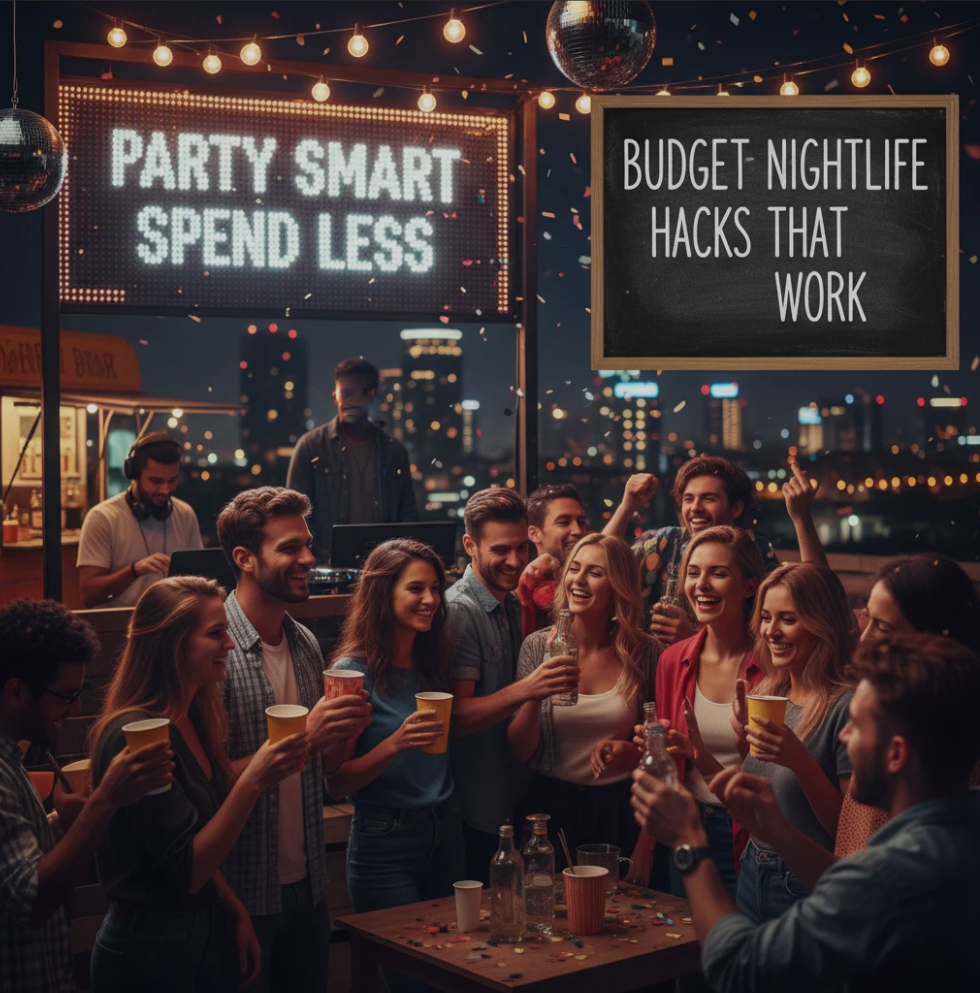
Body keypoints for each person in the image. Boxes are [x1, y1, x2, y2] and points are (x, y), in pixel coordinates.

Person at [630, 633, 980, 993]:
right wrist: (780, 831)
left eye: (857, 725)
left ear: (896, 754)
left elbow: (740, 968)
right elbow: (850, 886)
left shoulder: (892, 878)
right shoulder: (955, 833)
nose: (843, 736)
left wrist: (689, 844)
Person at [87, 577, 311, 992]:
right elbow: (186, 870)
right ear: (173, 645)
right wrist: (255, 779)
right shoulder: (138, 733)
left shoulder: (192, 718)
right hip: (148, 945)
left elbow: (191, 839)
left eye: (227, 630)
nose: (229, 644)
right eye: (215, 633)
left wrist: (233, 909)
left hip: (194, 928)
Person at [217, 487, 373, 993]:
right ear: (244, 558)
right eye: (289, 548)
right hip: (240, 895)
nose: (307, 558)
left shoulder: (304, 642)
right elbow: (205, 784)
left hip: (307, 891)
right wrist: (307, 734)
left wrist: (343, 731)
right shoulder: (213, 652)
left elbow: (327, 772)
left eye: (306, 544)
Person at [0, 598, 172, 993]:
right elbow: (33, 899)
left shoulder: (13, 754)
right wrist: (104, 801)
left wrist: (64, 823)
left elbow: (13, 857)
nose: (75, 707)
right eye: (65, 695)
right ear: (15, 691)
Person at [326, 539, 465, 993]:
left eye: (435, 588)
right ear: (384, 594)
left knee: (456, 973)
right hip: (384, 843)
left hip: (446, 833)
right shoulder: (353, 672)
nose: (430, 599)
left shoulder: (434, 659)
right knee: (413, 983)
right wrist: (396, 743)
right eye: (416, 589)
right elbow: (336, 782)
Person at [508, 533, 659, 870]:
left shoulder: (646, 652)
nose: (578, 578)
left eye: (595, 572)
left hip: (620, 809)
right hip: (549, 808)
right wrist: (534, 692)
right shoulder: (536, 646)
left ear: (618, 585)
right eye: (574, 568)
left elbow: (663, 755)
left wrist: (646, 845)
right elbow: (520, 752)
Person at [447, 488, 573, 884]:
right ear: (470, 545)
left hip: (511, 796)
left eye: (522, 547)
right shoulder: (461, 610)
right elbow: (457, 718)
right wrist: (530, 689)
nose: (516, 561)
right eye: (501, 550)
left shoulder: (512, 601)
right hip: (474, 807)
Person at [642, 525, 767, 900]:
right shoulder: (672, 660)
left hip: (752, 832)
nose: (702, 584)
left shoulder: (772, 665)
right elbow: (664, 760)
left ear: (749, 587)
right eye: (694, 573)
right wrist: (646, 846)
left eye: (719, 573)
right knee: (689, 947)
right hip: (689, 824)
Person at [836, 552, 980, 857]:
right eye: (867, 620)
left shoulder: (924, 743)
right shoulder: (886, 703)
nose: (865, 640)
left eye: (883, 628)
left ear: (933, 637)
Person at [736, 562, 856, 922]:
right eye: (766, 618)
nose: (771, 631)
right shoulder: (770, 691)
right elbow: (767, 786)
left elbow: (847, 830)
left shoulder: (847, 706)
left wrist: (801, 762)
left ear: (823, 624)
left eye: (788, 619)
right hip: (752, 868)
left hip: (802, 886)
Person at [604, 456, 826, 645]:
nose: (695, 507)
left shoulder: (751, 550)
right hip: (651, 675)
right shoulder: (665, 541)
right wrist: (627, 506)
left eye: (709, 498)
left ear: (736, 508)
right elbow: (598, 561)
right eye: (688, 499)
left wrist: (801, 518)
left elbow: (819, 600)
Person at [286, 357, 418, 562]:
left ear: (373, 395)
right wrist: (317, 559)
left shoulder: (394, 450)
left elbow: (408, 515)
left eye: (361, 393)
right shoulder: (310, 446)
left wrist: (401, 560)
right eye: (346, 393)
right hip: (325, 568)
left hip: (385, 567)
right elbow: (294, 515)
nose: (353, 401)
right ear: (335, 396)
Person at [78, 432, 203, 608]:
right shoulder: (102, 518)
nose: (165, 490)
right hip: (119, 627)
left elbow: (199, 581)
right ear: (134, 473)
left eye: (172, 480)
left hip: (172, 624)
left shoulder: (185, 514)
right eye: (156, 481)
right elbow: (89, 595)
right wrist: (135, 570)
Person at [518, 484, 589, 638]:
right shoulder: (518, 589)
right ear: (534, 534)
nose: (578, 531)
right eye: (564, 522)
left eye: (581, 522)